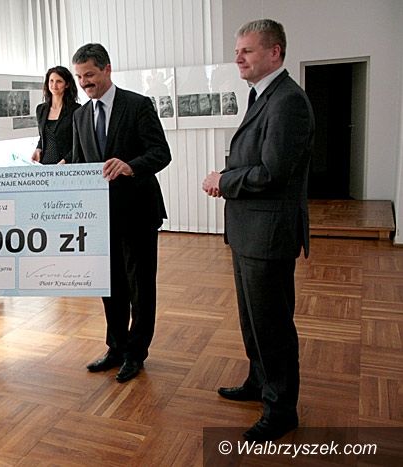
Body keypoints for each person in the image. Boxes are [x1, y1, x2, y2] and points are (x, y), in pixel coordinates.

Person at [202, 19, 314, 442]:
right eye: (237, 51)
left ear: (275, 52)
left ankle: (281, 410)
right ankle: (258, 381)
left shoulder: (287, 101)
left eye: (247, 50)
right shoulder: (264, 96)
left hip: (269, 235)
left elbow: (272, 172)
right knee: (253, 319)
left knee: (272, 326)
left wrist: (224, 180)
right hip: (251, 231)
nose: (238, 58)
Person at [71, 43, 171, 383]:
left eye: (89, 75)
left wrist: (130, 166)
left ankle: (136, 353)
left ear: (107, 69)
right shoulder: (80, 116)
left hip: (139, 212)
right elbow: (80, 164)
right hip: (101, 218)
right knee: (110, 286)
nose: (84, 82)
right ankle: (115, 347)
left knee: (140, 288)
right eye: (79, 77)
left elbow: (161, 153)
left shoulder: (138, 105)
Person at [31, 66, 81, 164]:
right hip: (44, 165)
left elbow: (79, 143)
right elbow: (43, 136)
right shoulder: (41, 109)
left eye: (59, 81)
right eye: (51, 81)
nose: (54, 85)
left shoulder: (77, 110)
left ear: (67, 84)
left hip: (66, 165)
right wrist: (38, 149)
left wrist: (65, 161)